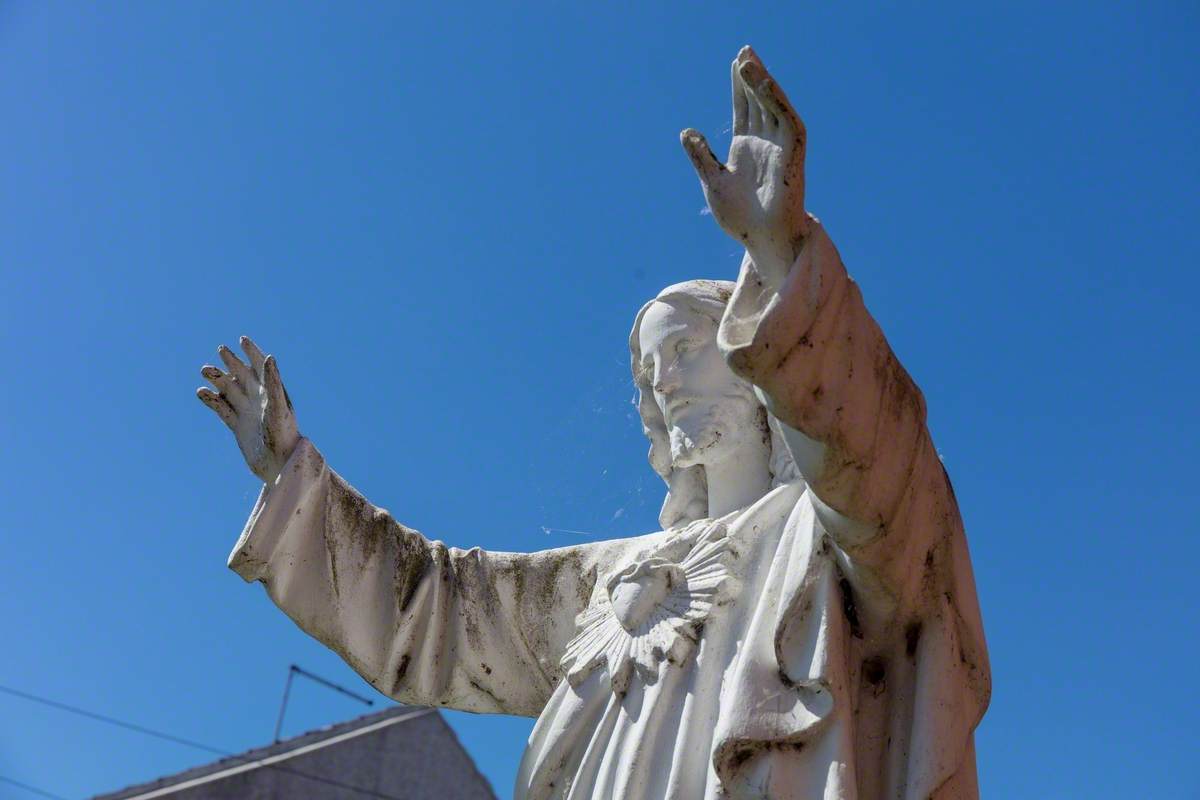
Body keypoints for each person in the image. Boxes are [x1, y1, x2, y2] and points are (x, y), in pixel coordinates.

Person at [198, 47, 989, 800]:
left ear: (754, 351)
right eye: (651, 369)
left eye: (685, 349)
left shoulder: (831, 538)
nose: (667, 381)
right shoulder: (612, 580)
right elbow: (440, 612)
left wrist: (783, 260)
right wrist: (296, 478)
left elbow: (879, 460)